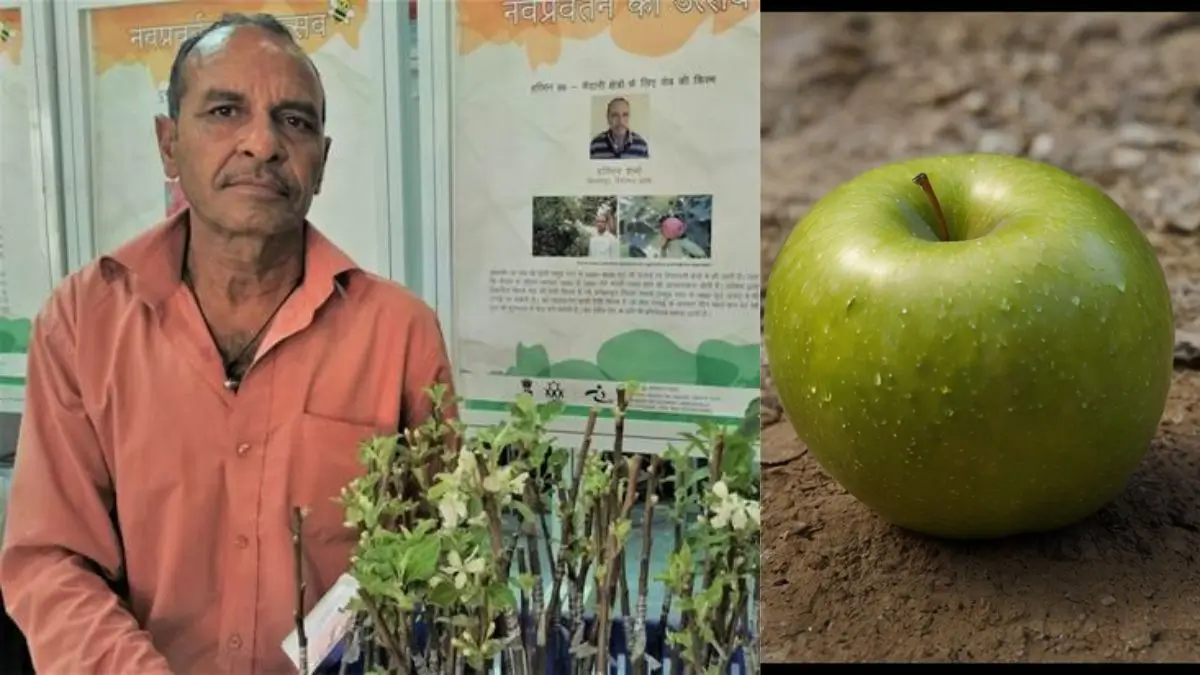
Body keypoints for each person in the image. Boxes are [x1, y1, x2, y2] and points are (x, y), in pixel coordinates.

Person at [0, 13, 457, 675]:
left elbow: (440, 551)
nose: (262, 143)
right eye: (224, 110)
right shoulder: (83, 324)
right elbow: (52, 557)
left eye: (294, 121)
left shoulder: (397, 332)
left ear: (320, 163)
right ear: (168, 143)